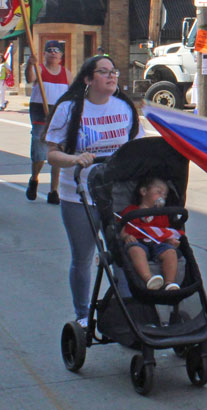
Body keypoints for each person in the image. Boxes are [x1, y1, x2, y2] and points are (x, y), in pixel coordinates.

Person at [45, 55, 143, 327]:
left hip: (117, 195)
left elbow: (137, 147)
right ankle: (83, 313)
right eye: (104, 72)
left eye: (114, 72)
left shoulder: (124, 107)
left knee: (124, 254)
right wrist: (75, 159)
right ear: (88, 79)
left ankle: (128, 314)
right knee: (83, 258)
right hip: (79, 195)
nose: (112, 76)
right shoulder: (69, 109)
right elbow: (52, 154)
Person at [25, 40, 73, 204]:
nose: (53, 53)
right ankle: (34, 178)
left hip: (58, 118)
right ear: (44, 54)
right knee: (39, 154)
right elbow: (29, 78)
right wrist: (29, 65)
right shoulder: (39, 70)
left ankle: (54, 191)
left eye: (56, 50)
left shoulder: (66, 74)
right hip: (40, 116)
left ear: (61, 55)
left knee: (57, 155)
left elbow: (72, 96)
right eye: (50, 50)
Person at [120, 176, 180, 291]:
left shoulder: (162, 214)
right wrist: (126, 236)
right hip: (138, 242)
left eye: (165, 195)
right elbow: (122, 229)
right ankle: (149, 279)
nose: (162, 197)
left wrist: (170, 240)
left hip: (158, 244)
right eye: (159, 192)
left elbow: (165, 232)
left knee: (171, 252)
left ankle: (169, 283)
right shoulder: (131, 210)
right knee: (135, 250)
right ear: (143, 191)